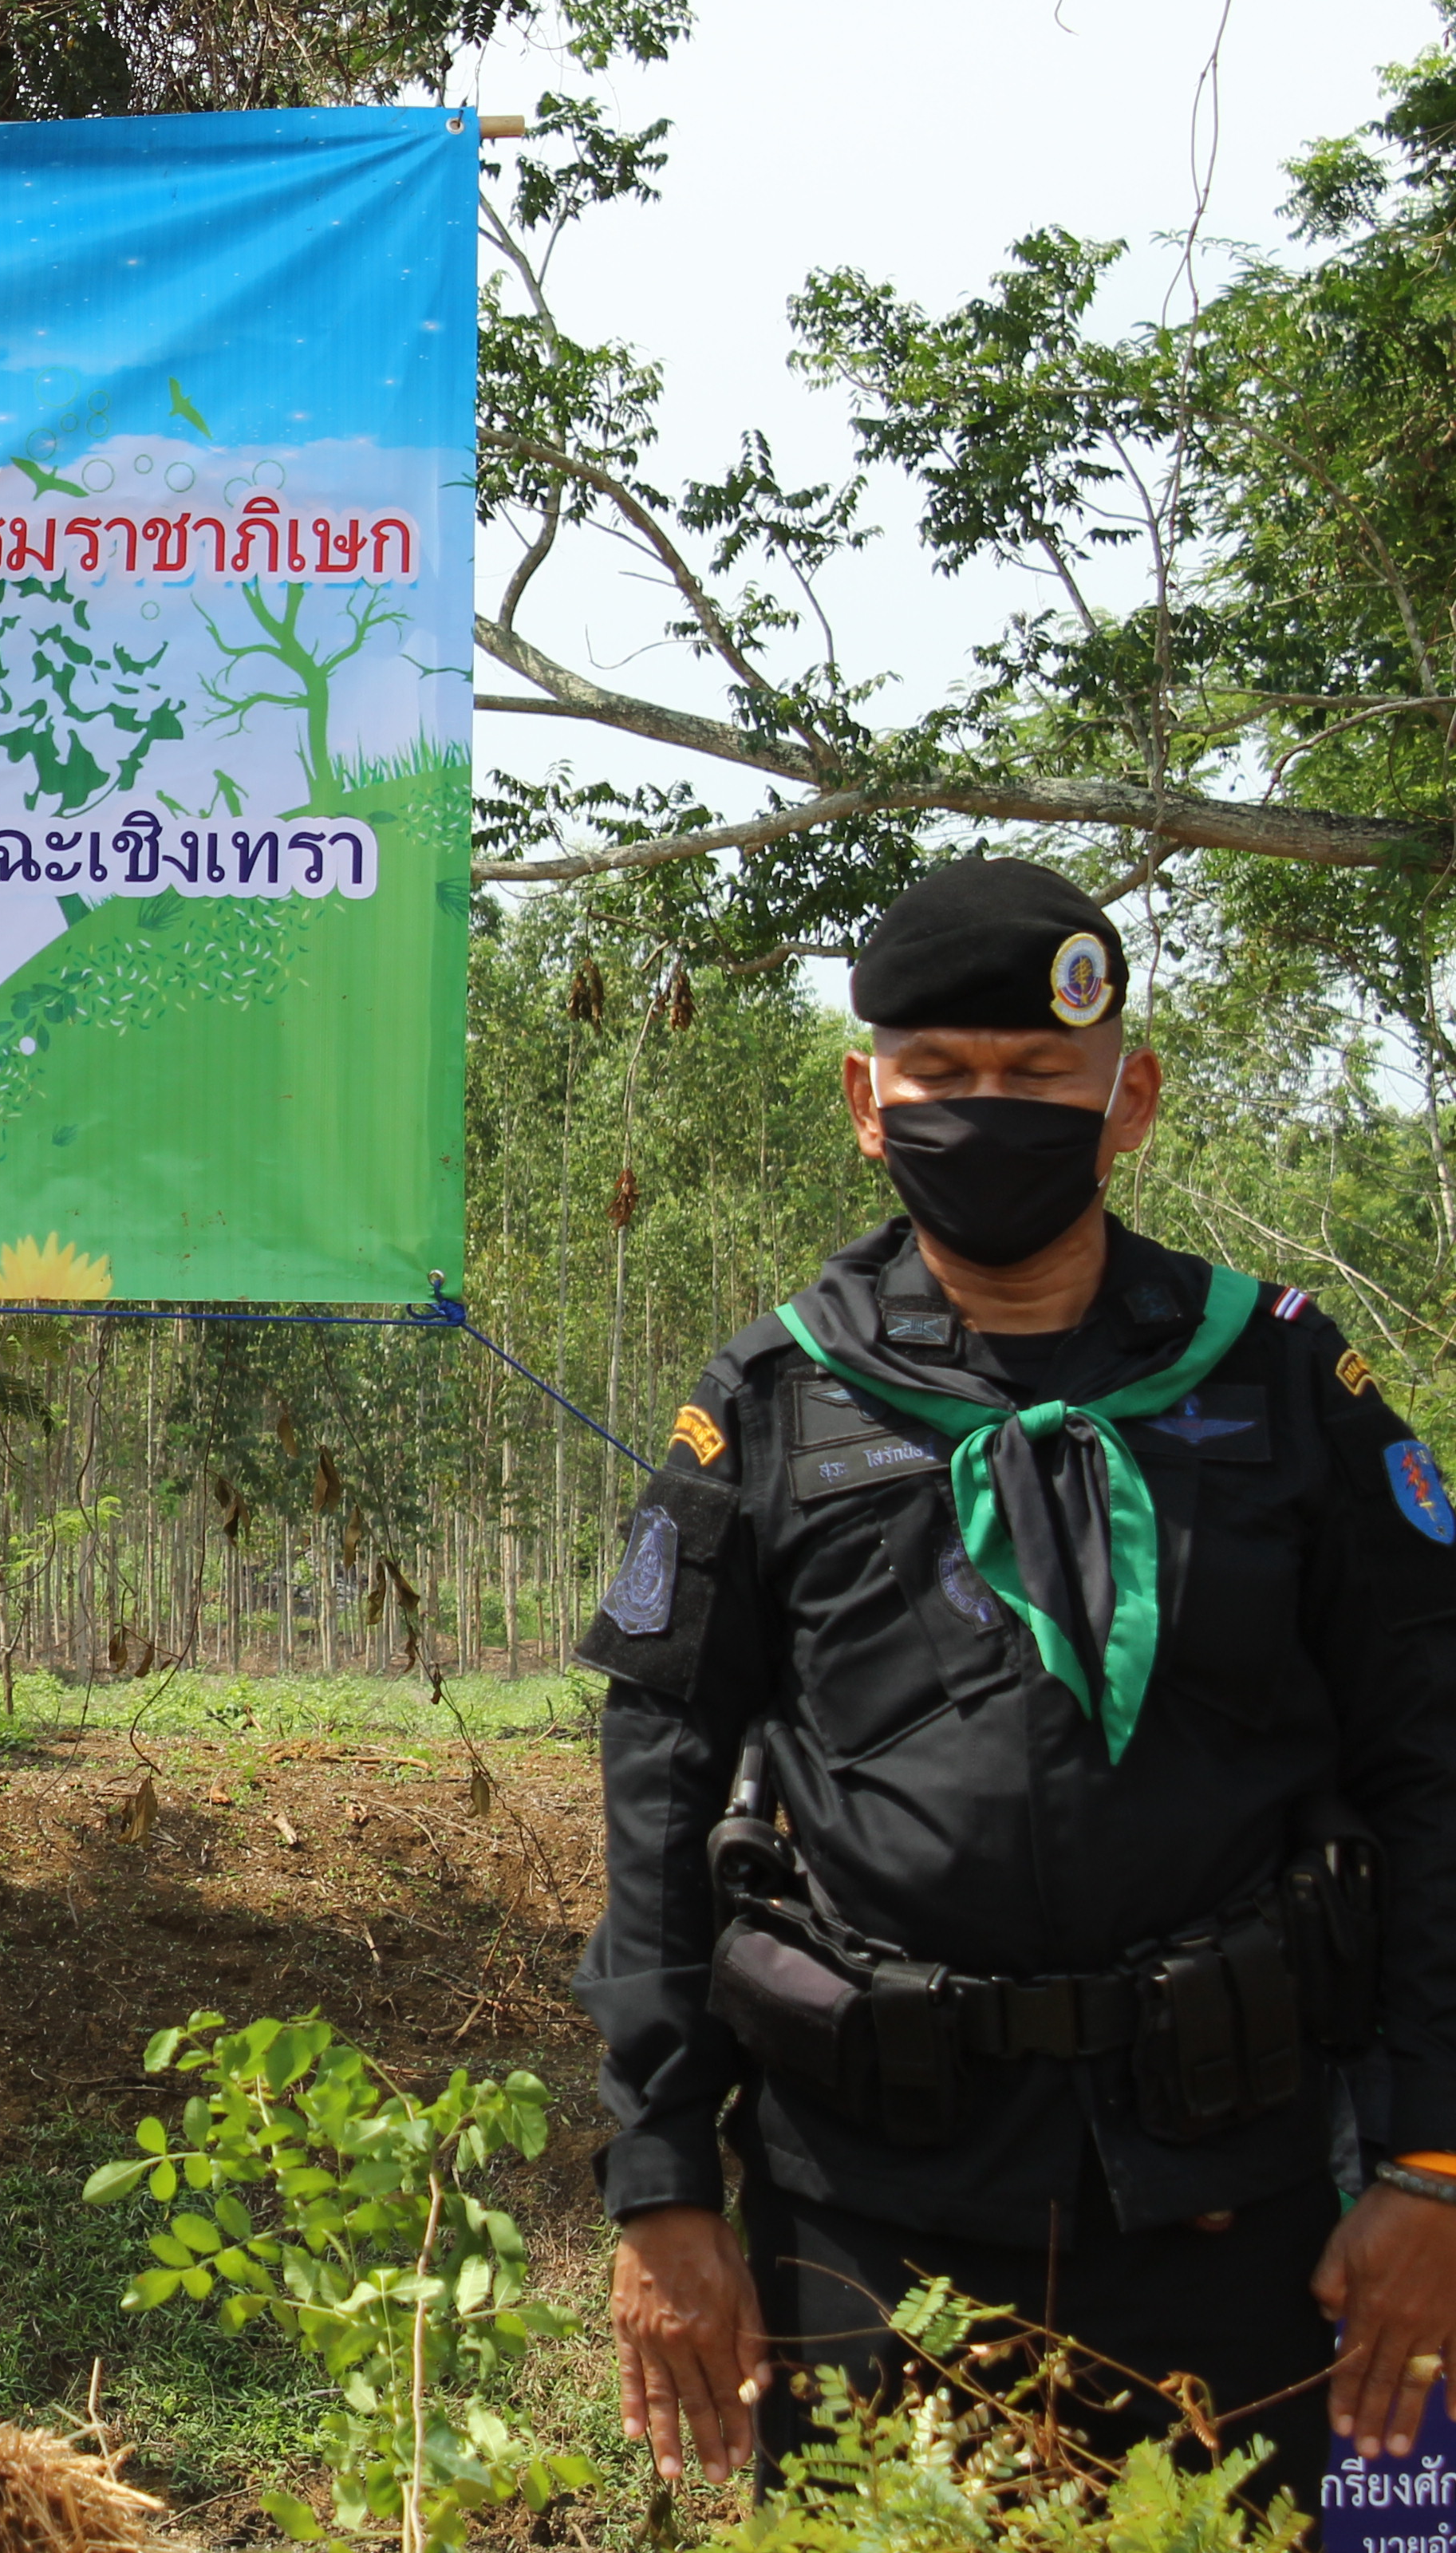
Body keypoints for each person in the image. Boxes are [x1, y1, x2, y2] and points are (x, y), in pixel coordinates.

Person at [578, 856, 1456, 2504]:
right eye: (945, 1077)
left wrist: (1436, 2162)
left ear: (1130, 1098)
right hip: (864, 2212)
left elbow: (1435, 1768)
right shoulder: (773, 1404)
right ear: (866, 1097)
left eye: (1041, 1077)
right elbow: (657, 1803)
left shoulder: (1279, 1381)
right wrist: (661, 2180)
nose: (991, 1112)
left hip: (1234, 2207)